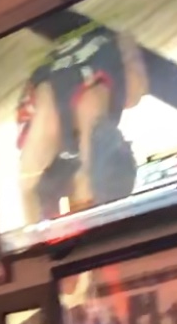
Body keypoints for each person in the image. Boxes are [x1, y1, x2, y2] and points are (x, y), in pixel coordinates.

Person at [16, 22, 149, 224]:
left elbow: (126, 36)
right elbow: (25, 190)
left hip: (86, 55)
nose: (81, 205)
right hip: (51, 91)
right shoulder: (51, 126)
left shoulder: (133, 87)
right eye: (87, 204)